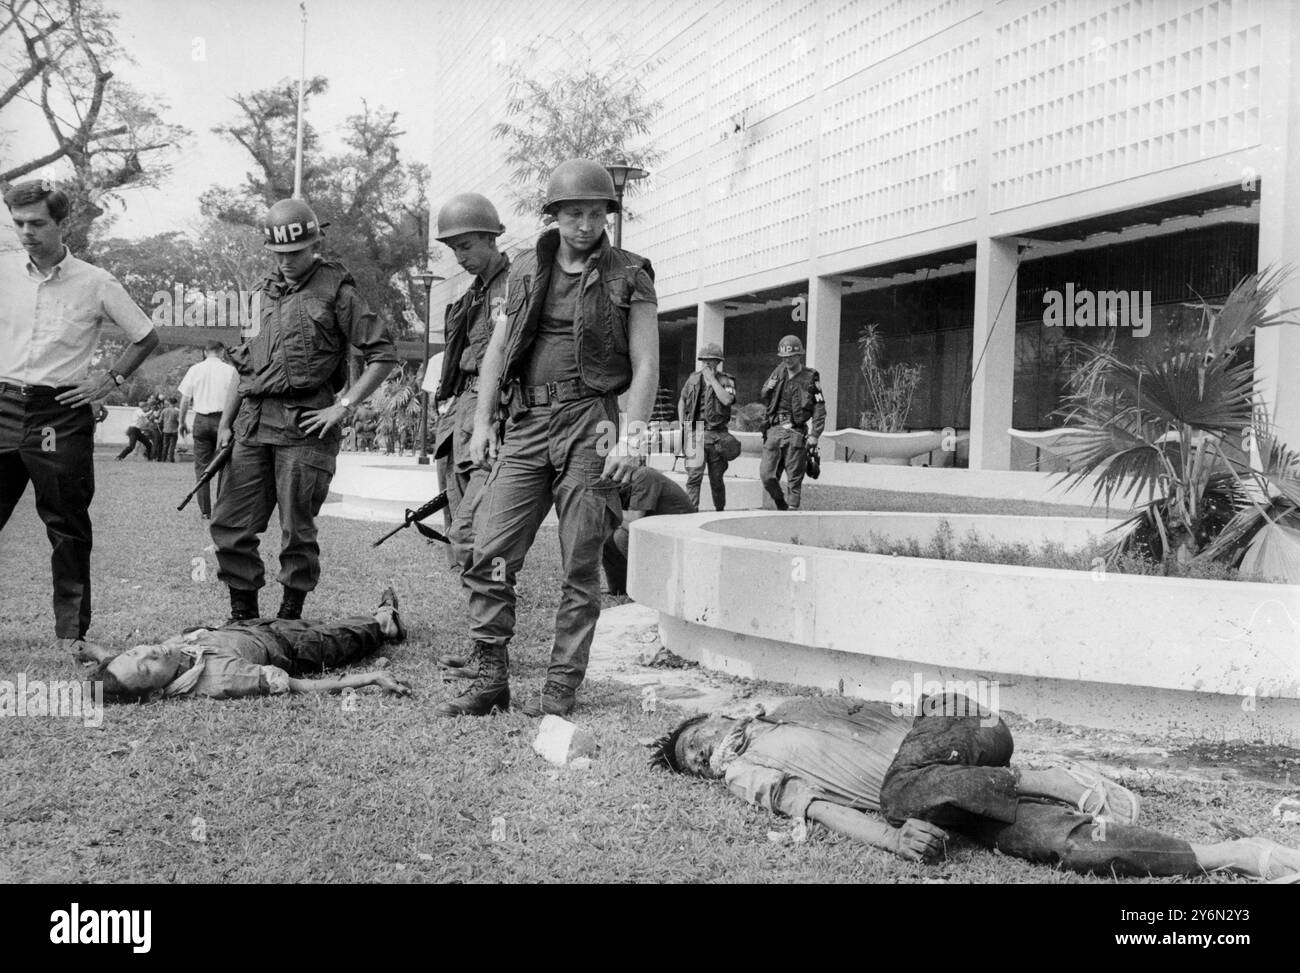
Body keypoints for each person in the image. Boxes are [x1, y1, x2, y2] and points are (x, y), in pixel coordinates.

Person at [438, 158, 659, 719]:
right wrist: (484, 421)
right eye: (573, 213)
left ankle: (561, 686)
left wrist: (630, 438)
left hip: (593, 423)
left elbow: (646, 362)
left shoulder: (631, 273)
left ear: (608, 215)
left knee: (579, 564)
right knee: (488, 548)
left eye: (595, 212)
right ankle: (491, 676)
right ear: (555, 215)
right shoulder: (525, 272)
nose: (585, 224)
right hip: (528, 424)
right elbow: (496, 349)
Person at [651, 694, 1300, 881]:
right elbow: (813, 805)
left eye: (697, 735)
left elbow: (889, 711)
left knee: (916, 777)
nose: (704, 750)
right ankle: (1231, 852)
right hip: (936, 799)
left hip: (955, 735)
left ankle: (1041, 777)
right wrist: (893, 836)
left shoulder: (789, 708)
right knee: (1065, 848)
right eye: (694, 758)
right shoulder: (745, 770)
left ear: (717, 715)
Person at [210, 199, 398, 623]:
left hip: (305, 425)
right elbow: (244, 369)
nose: (287, 262)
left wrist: (343, 406)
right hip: (253, 424)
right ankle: (244, 619)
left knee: (297, 531)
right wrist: (225, 423)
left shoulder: (338, 292)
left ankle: (290, 619)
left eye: (295, 253)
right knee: (230, 525)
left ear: (314, 245)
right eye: (278, 254)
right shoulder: (259, 296)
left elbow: (383, 355)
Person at [0, 179, 160, 656]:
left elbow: (146, 335)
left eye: (37, 223)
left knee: (66, 522)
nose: (27, 232)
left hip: (60, 413)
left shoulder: (95, 281)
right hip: (4, 404)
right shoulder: (4, 271)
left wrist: (107, 381)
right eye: (18, 223)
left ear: (60, 222)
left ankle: (71, 633)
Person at [81, 588, 410, 702]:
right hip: (297, 647)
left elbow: (124, 666)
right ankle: (386, 622)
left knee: (333, 624)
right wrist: (369, 679)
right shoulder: (223, 679)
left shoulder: (165, 658)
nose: (150, 652)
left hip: (252, 628)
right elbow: (301, 686)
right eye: (146, 666)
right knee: (357, 634)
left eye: (135, 651)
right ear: (155, 692)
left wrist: (100, 656)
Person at [431, 193, 510, 573]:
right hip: (461, 412)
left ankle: (492, 586)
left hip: (492, 410)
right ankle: (473, 586)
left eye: (465, 246)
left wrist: (492, 416)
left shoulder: (515, 286)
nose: (459, 256)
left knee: (483, 516)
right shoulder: (473, 292)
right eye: (453, 249)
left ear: (492, 238)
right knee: (457, 504)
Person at [602, 464, 694, 597]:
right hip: (657, 530)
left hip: (677, 537)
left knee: (621, 536)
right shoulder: (618, 482)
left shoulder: (643, 476)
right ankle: (619, 589)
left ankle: (651, 590)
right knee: (606, 536)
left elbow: (634, 523)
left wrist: (608, 507)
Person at [758, 335, 825, 511]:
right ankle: (781, 503)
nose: (787, 360)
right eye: (784, 357)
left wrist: (815, 435)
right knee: (766, 475)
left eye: (790, 356)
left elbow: (819, 406)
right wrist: (769, 387)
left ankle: (793, 511)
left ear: (799, 355)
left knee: (794, 478)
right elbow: (765, 395)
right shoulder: (778, 371)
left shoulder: (810, 376)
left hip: (796, 431)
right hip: (775, 429)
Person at [178, 341, 238, 518]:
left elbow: (184, 400)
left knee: (202, 467)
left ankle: (205, 511)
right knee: (224, 466)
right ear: (222, 353)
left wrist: (182, 422)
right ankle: (221, 508)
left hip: (201, 420)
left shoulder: (195, 369)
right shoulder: (230, 370)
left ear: (205, 352)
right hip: (224, 420)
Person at [678, 343, 738, 511]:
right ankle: (691, 511)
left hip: (717, 435)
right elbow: (682, 400)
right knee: (694, 476)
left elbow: (727, 400)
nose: (706, 365)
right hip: (696, 432)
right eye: (704, 361)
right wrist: (683, 421)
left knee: (716, 478)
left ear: (718, 363)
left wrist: (712, 380)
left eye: (711, 361)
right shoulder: (693, 379)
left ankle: (719, 511)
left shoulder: (727, 380)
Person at [160, 395, 180, 462]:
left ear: (169, 403)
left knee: (165, 445)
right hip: (174, 431)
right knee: (172, 446)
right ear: (175, 403)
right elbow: (179, 421)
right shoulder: (176, 412)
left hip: (166, 430)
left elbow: (160, 420)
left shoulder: (164, 410)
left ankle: (163, 459)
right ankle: (171, 459)